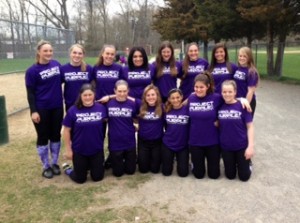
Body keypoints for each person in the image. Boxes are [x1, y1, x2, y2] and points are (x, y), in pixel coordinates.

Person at [25, 40, 63, 179]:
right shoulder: (32, 71)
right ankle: (46, 166)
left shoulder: (56, 65)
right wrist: (33, 111)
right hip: (41, 109)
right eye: (45, 51)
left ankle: (54, 163)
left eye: (50, 50)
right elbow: (30, 93)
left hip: (57, 106)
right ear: (39, 52)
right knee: (43, 136)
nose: (48, 53)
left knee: (56, 135)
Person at [62, 84, 107, 184]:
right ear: (80, 96)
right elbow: (66, 130)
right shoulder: (73, 110)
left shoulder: (101, 108)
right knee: (80, 179)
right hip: (79, 150)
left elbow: (112, 120)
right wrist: (68, 150)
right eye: (85, 95)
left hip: (96, 149)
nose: (87, 97)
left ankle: (91, 166)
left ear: (94, 95)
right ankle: (68, 169)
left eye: (90, 95)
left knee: (97, 177)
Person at [92, 44, 123, 169]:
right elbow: (92, 85)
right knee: (100, 133)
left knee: (114, 132)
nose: (109, 56)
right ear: (102, 54)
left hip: (115, 103)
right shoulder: (96, 68)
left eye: (112, 54)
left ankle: (112, 157)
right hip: (100, 105)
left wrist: (111, 97)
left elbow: (123, 88)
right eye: (107, 53)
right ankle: (98, 159)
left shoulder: (119, 68)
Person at [187, 72, 222, 179]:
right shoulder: (191, 98)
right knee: (198, 175)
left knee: (214, 175)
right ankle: (193, 163)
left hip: (212, 141)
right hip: (196, 141)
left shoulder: (216, 98)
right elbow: (178, 104)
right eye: (196, 87)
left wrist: (242, 100)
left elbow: (231, 101)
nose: (198, 90)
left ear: (208, 86)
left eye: (201, 87)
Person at [218, 80, 254, 181]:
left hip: (241, 145)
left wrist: (250, 147)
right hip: (226, 146)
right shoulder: (219, 105)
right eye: (224, 92)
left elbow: (250, 127)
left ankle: (248, 164)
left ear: (235, 92)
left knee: (244, 177)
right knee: (230, 176)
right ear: (221, 93)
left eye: (230, 92)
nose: (227, 94)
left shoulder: (242, 106)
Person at [106, 80, 138, 177]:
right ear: (115, 91)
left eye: (124, 91)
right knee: (118, 173)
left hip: (129, 140)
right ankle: (112, 160)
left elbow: (136, 118)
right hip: (115, 141)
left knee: (130, 171)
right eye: (119, 91)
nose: (122, 93)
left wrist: (137, 126)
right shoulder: (108, 104)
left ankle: (129, 160)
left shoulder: (133, 104)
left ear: (128, 91)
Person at [162, 88, 189, 177]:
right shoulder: (166, 110)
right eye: (173, 98)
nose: (175, 100)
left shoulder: (187, 110)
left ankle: (186, 163)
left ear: (182, 97)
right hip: (168, 143)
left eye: (178, 97)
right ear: (169, 99)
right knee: (166, 173)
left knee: (183, 173)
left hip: (183, 144)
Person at [137, 84, 164, 173]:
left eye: (153, 95)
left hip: (157, 142)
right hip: (143, 142)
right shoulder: (139, 105)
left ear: (157, 96)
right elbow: (127, 98)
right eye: (148, 95)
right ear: (144, 97)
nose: (151, 97)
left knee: (155, 170)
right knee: (143, 170)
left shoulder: (162, 107)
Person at [61, 44, 93, 111]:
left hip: (86, 103)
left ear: (83, 55)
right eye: (74, 53)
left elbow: (94, 86)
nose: (77, 55)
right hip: (70, 104)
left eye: (80, 53)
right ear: (70, 54)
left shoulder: (89, 69)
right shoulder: (63, 69)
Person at [233, 46, 259, 116]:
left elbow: (250, 91)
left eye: (244, 56)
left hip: (247, 101)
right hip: (237, 100)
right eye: (240, 56)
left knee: (246, 125)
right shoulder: (238, 68)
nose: (241, 58)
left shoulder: (251, 71)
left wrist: (246, 104)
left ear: (249, 58)